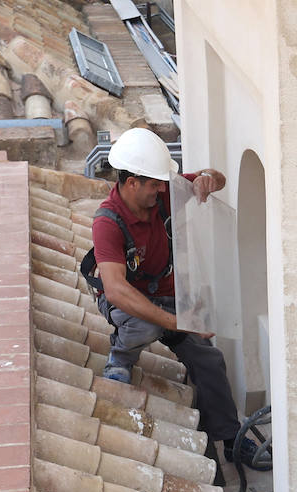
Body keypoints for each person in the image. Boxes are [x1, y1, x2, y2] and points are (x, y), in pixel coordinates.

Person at [86, 127, 253, 469]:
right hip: (129, 303)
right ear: (131, 182)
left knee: (210, 361)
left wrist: (208, 178)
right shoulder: (108, 222)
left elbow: (217, 180)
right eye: (154, 184)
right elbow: (116, 289)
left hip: (169, 295)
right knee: (145, 327)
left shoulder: (162, 195)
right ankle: (120, 357)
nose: (162, 189)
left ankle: (231, 439)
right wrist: (176, 322)